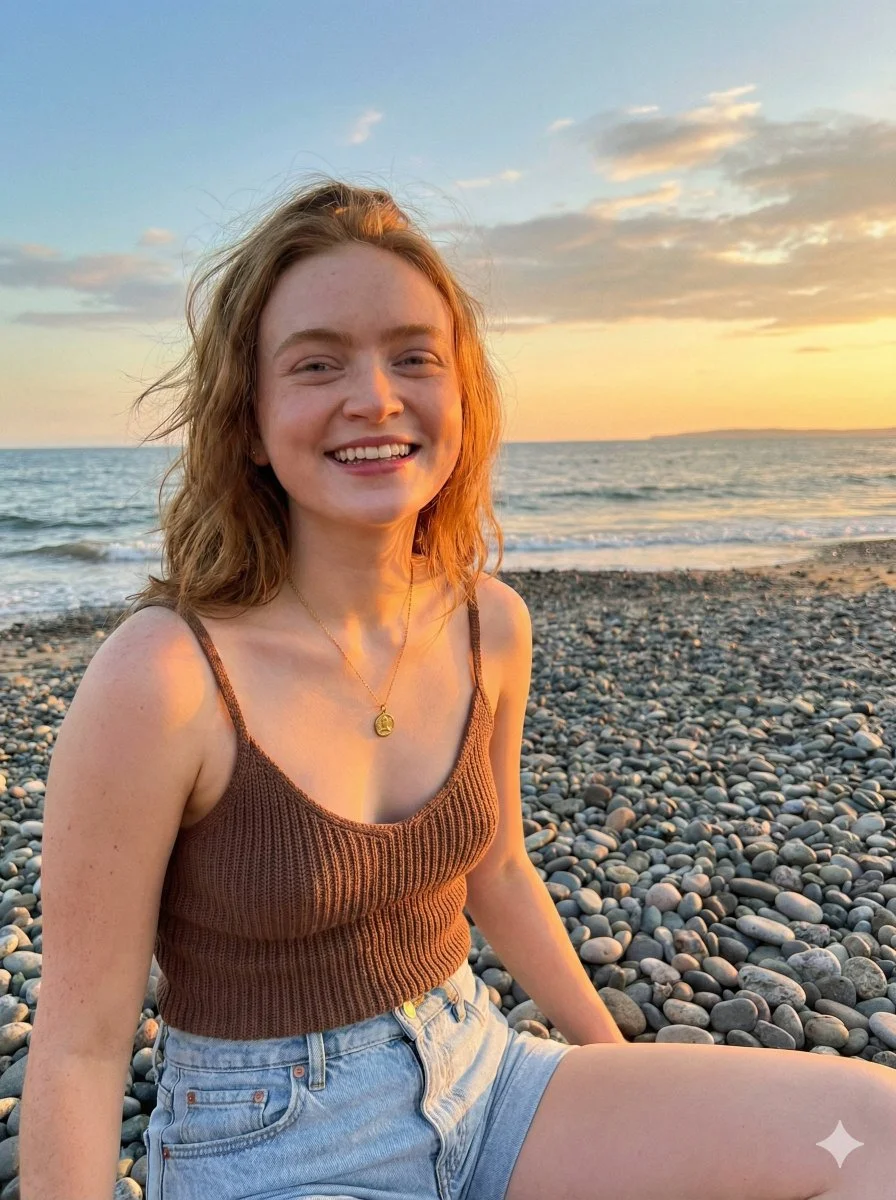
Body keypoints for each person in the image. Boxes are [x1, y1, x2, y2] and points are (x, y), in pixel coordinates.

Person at [22, 178, 896, 1200]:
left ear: (460, 395)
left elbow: (499, 869)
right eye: (317, 364)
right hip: (267, 1143)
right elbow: (80, 1051)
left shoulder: (487, 624)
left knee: (866, 1131)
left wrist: (610, 1063)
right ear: (250, 420)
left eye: (411, 357)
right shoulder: (165, 677)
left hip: (486, 1082)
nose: (375, 398)